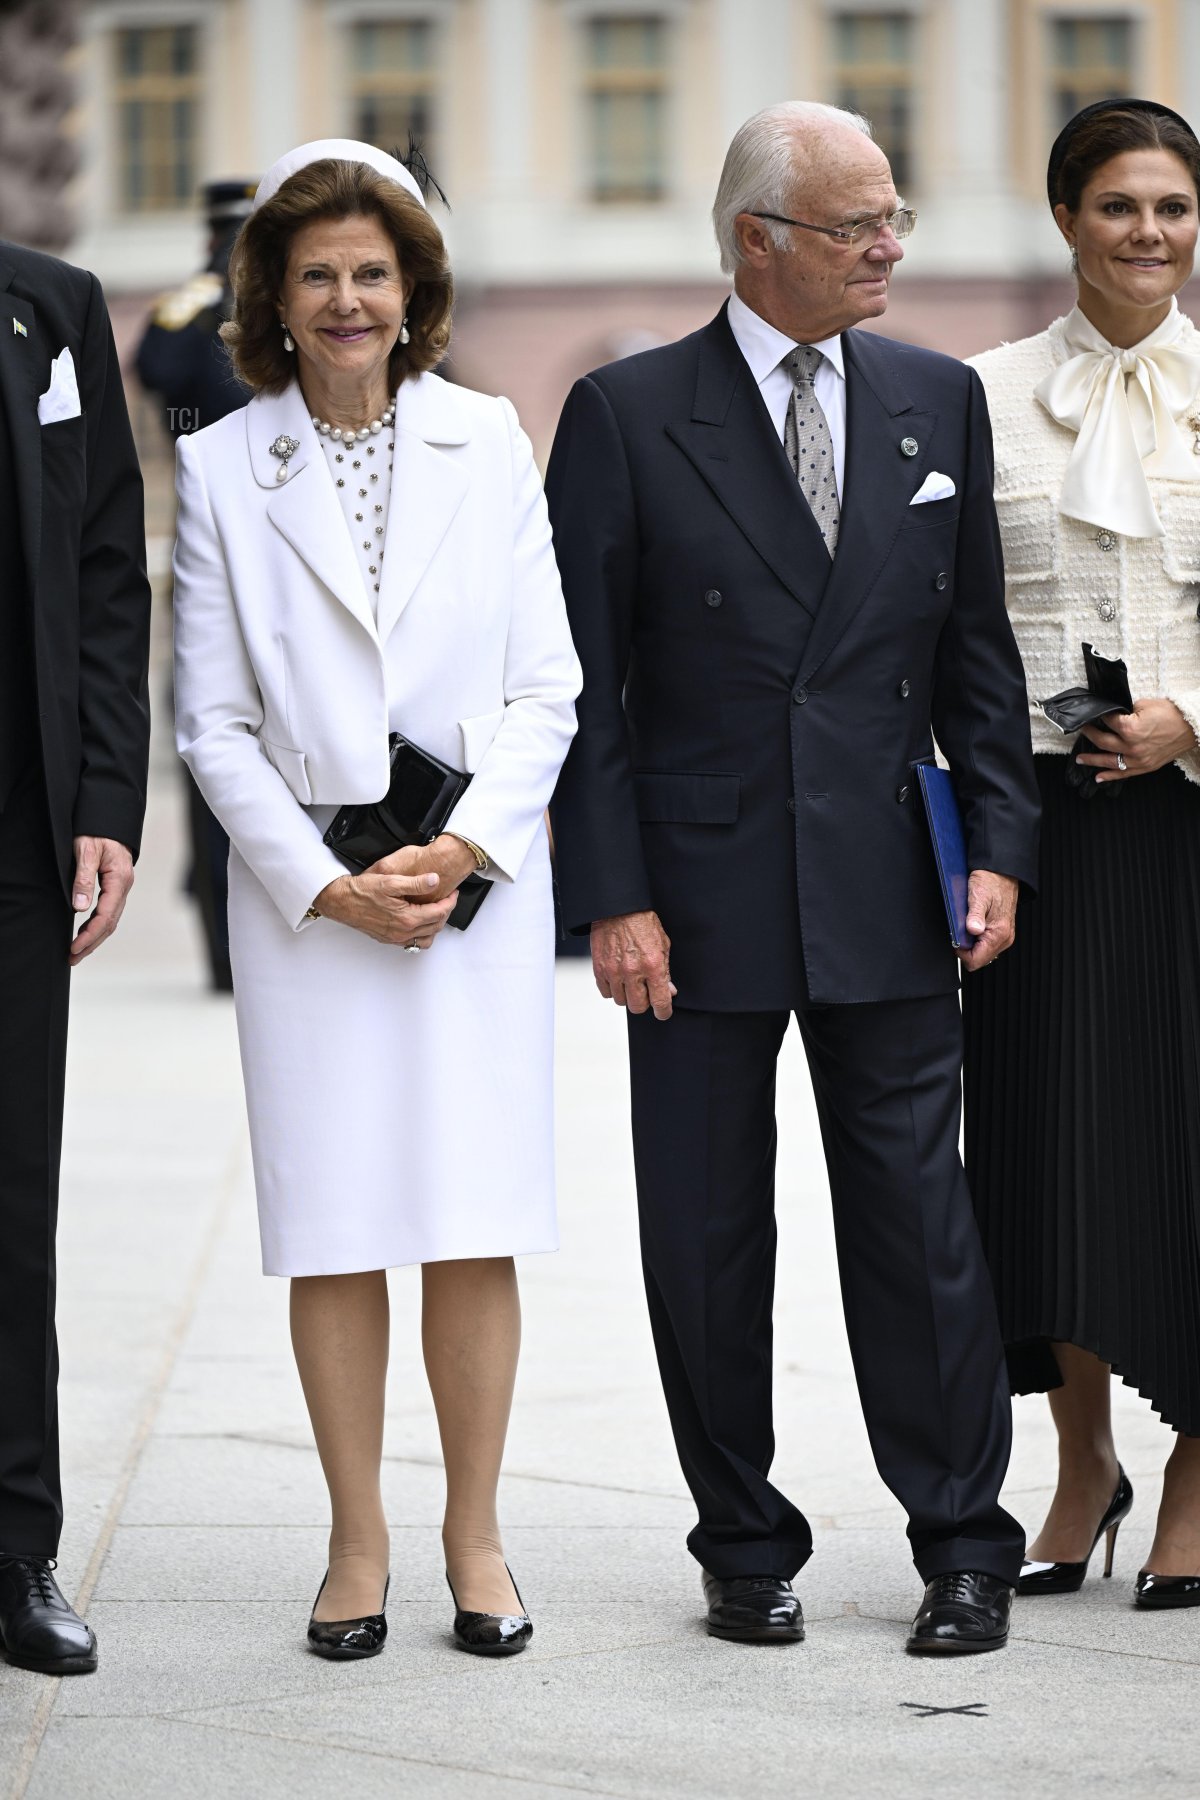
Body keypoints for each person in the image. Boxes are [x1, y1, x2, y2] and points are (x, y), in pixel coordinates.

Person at [548, 101, 1041, 1657]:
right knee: (705, 1233)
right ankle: (742, 1542)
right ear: (760, 240)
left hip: (890, 881)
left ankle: (963, 1539)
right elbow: (582, 688)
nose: (892, 247)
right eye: (859, 226)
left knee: (919, 1221)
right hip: (690, 902)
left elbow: (979, 657)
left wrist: (1002, 851)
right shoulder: (628, 413)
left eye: (894, 219)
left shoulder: (935, 398)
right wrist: (613, 897)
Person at [172, 140, 580, 1660]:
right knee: (334, 1224)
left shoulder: (491, 436)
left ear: (416, 293)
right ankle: (359, 1542)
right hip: (317, 912)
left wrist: (463, 850)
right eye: (317, 273)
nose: (347, 298)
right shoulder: (223, 464)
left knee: (473, 1219)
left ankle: (478, 1536)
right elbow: (209, 721)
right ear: (274, 298)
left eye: (372, 271)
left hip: (467, 896)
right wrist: (324, 884)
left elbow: (549, 683)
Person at [964, 98, 1200, 1612]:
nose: (1150, 234)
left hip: (1197, 817)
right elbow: (945, 628)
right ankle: (1080, 1458)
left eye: (1174, 207)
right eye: (1120, 205)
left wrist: (1192, 720)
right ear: (1064, 217)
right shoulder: (977, 395)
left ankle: (1198, 1475)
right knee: (1049, 1147)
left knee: (1191, 1148)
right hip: (1038, 829)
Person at [0, 243, 151, 1672]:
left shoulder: (46, 303)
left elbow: (110, 565)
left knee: (10, 1207)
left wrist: (106, 799)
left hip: (13, 838)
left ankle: (14, 1548)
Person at [137, 178, 256, 993]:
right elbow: (156, 370)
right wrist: (220, 291)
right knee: (217, 752)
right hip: (217, 556)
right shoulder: (198, 310)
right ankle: (224, 945)